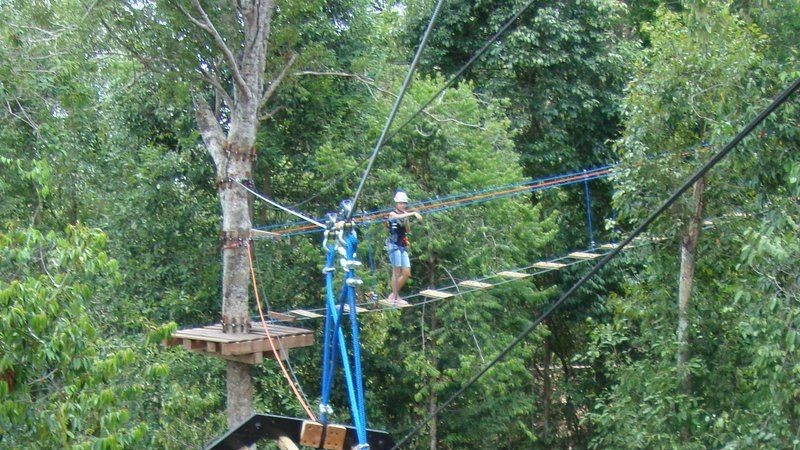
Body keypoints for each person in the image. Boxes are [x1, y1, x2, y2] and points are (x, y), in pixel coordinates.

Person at [386, 191, 422, 305]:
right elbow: (397, 216)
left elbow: (407, 230)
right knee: (396, 271)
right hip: (393, 245)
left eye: (404, 203)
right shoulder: (392, 214)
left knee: (406, 272)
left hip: (402, 245)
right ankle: (396, 296)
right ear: (396, 203)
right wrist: (412, 214)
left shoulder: (405, 214)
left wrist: (415, 218)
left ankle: (393, 294)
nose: (402, 205)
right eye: (400, 203)